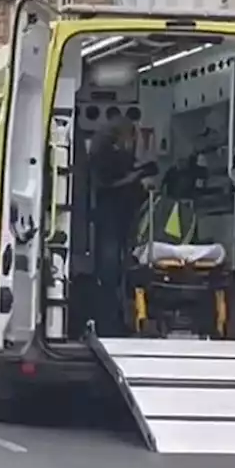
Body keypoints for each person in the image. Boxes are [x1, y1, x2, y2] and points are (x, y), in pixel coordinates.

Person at [89, 117, 149, 336]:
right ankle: (110, 323)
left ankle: (120, 319)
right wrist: (136, 176)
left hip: (121, 216)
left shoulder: (116, 156)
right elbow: (106, 182)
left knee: (119, 271)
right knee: (111, 272)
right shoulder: (105, 157)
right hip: (113, 217)